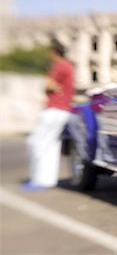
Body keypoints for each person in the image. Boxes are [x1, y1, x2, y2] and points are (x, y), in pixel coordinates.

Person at [23, 39, 74, 191]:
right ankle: (47, 181)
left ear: (53, 52)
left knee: (36, 142)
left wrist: (50, 85)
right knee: (51, 145)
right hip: (64, 110)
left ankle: (38, 180)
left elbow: (48, 85)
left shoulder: (59, 65)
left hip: (53, 110)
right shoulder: (69, 65)